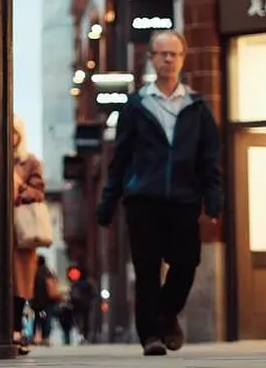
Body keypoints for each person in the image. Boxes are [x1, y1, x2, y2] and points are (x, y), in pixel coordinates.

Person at [96, 29, 222, 357]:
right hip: (143, 201)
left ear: (182, 58)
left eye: (174, 54)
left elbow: (209, 158)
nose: (167, 59)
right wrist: (108, 203)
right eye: (161, 53)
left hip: (183, 199)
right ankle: (150, 335)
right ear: (151, 58)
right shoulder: (136, 106)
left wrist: (213, 196)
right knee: (147, 268)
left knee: (186, 264)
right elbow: (120, 159)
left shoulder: (197, 107)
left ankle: (165, 316)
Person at [11, 116, 45, 355]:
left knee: (20, 284)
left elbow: (39, 191)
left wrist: (19, 187)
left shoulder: (30, 162)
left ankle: (16, 330)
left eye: (14, 132)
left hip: (21, 232)